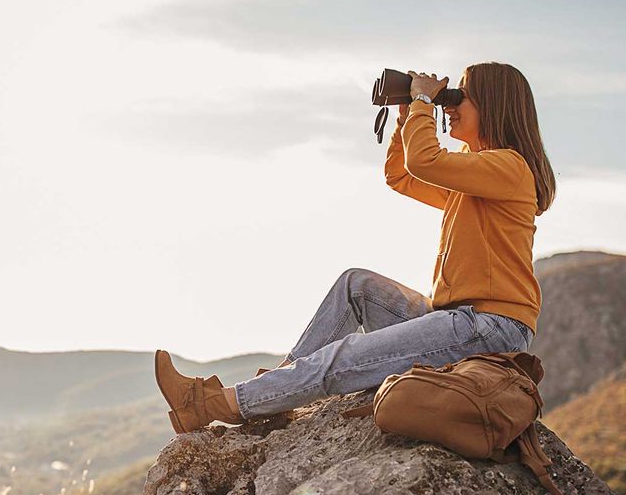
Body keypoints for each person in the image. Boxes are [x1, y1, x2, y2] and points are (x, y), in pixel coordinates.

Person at [156, 62, 557, 434]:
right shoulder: (481, 175)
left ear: (494, 105)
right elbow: (401, 176)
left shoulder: (509, 167)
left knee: (348, 355)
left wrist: (421, 101)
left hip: (489, 328)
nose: (449, 105)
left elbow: (425, 162)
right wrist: (406, 117)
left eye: (461, 96)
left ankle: (211, 404)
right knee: (357, 285)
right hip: (459, 319)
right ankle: (275, 392)